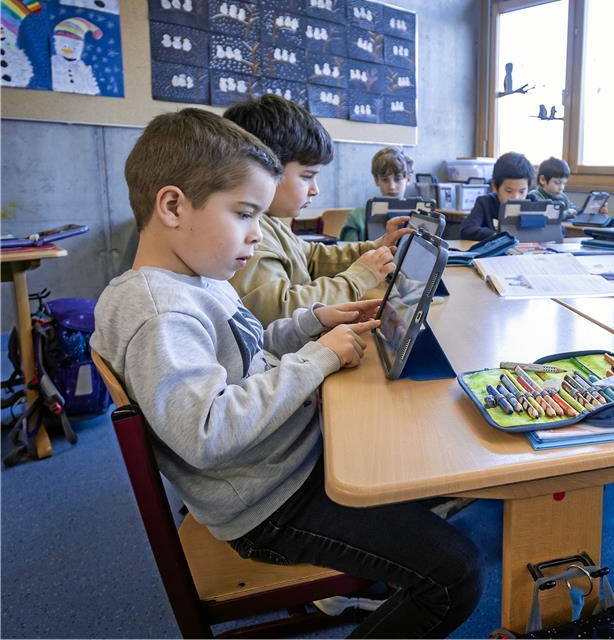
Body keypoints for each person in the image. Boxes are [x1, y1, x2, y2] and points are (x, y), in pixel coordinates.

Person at [91, 109, 484, 638]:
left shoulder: (198, 277)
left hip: (289, 461)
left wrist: (313, 323)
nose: (258, 236)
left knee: (425, 453)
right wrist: (317, 357)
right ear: (172, 205)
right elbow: (208, 432)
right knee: (455, 574)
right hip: (270, 506)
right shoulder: (160, 312)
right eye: (244, 214)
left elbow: (248, 348)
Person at [224, 95, 412, 325]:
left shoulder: (273, 223)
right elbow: (278, 310)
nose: (315, 190)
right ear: (264, 170)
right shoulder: (251, 234)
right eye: (307, 177)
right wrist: (358, 279)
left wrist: (376, 248)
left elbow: (311, 257)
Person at [340, 146, 415, 242]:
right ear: (376, 180)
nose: (392, 186)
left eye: (397, 179)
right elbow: (349, 255)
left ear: (408, 179)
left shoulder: (421, 217)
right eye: (385, 180)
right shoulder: (356, 218)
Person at [459, 151, 533, 241]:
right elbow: (467, 230)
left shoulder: (533, 203)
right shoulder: (485, 203)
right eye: (509, 191)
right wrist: (500, 236)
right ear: (494, 186)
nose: (516, 197)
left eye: (522, 191)